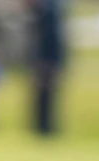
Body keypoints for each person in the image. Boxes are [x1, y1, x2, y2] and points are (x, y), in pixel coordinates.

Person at [27, 0, 68, 135]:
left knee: (46, 96)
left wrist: (46, 62)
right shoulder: (48, 8)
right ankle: (41, 129)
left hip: (48, 61)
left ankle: (45, 129)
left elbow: (52, 39)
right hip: (47, 60)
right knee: (42, 97)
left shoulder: (49, 10)